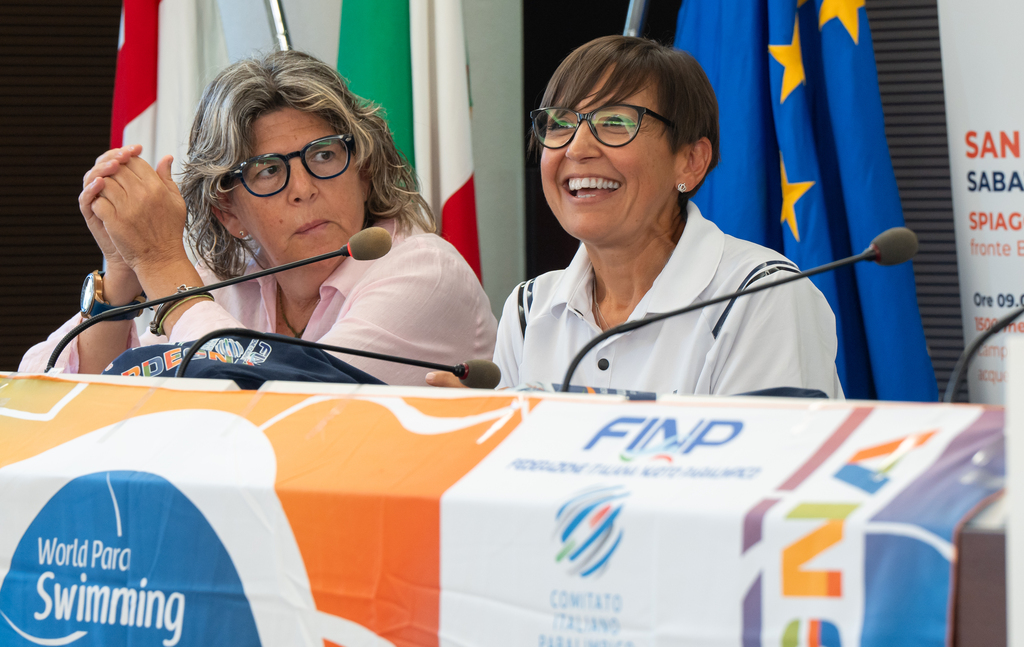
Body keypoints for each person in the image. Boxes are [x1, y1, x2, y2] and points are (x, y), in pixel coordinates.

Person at [20, 51, 496, 386]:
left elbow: (290, 408)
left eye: (324, 155)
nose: (304, 188)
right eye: (268, 170)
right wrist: (124, 270)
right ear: (228, 212)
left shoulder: (424, 272)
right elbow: (43, 394)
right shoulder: (228, 281)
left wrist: (162, 263)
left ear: (365, 170)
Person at [429, 35, 841, 397]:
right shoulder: (530, 308)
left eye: (614, 122)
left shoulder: (761, 296)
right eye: (560, 123)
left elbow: (768, 462)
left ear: (691, 161)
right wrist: (481, 430)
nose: (576, 149)